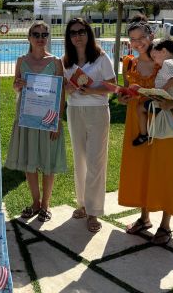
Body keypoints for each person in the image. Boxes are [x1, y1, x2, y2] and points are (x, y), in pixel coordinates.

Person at [118, 15, 173, 245]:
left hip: (164, 126)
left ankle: (165, 225)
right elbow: (127, 91)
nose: (138, 42)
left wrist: (170, 104)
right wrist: (124, 98)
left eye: (142, 37)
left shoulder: (166, 61)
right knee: (143, 170)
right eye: (133, 39)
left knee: (164, 172)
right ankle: (144, 218)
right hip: (138, 124)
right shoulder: (128, 62)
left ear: (151, 36)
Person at [5, 21, 66, 223]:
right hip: (27, 117)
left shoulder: (56, 61)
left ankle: (46, 205)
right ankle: (35, 202)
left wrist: (57, 121)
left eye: (44, 34)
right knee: (30, 162)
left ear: (48, 37)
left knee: (48, 163)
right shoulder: (21, 60)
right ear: (29, 37)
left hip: (48, 118)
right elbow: (16, 87)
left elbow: (61, 93)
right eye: (36, 34)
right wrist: (17, 85)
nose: (41, 38)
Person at [62, 18, 115, 233]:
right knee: (80, 159)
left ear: (88, 33)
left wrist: (92, 90)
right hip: (74, 111)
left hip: (97, 112)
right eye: (73, 32)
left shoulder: (101, 57)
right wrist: (68, 88)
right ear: (69, 37)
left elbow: (112, 85)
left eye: (81, 31)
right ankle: (83, 203)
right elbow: (62, 88)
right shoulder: (65, 60)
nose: (77, 35)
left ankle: (94, 211)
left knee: (96, 160)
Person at [132, 38, 173, 147]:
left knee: (140, 108)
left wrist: (162, 90)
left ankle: (143, 134)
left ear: (163, 51)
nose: (155, 61)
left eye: (154, 57)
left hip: (167, 98)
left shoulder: (168, 63)